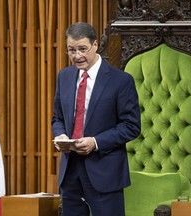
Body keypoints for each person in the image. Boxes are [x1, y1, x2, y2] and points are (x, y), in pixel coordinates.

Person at [52, 22, 141, 216]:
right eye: (71, 50)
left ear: (95, 45)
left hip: (105, 171)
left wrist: (96, 142)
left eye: (82, 49)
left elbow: (131, 126)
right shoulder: (64, 77)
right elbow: (57, 118)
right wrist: (60, 135)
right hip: (70, 172)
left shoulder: (121, 80)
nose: (77, 56)